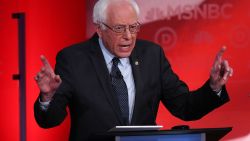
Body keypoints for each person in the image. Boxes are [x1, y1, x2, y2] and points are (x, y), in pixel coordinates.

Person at [34, 0, 233, 141]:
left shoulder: (152, 55)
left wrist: (213, 87)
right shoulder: (73, 59)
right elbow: (50, 120)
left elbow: (184, 106)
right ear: (99, 28)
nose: (129, 36)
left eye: (134, 27)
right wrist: (47, 98)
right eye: (119, 28)